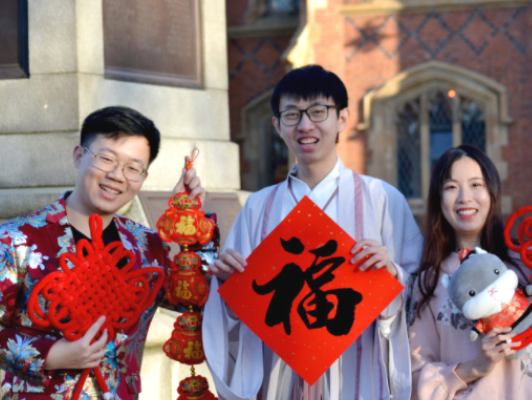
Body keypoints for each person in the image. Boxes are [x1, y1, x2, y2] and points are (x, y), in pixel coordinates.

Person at [203, 64, 423, 400]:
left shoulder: (382, 200)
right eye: (292, 115)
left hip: (358, 379)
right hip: (277, 382)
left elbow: (422, 293)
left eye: (318, 112)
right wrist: (230, 289)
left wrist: (392, 277)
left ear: (343, 119)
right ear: (277, 125)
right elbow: (233, 317)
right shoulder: (258, 208)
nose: (306, 125)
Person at [0, 106, 217, 400]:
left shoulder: (148, 247)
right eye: (106, 158)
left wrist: (193, 224)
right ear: (79, 155)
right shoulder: (17, 240)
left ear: (144, 175)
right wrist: (53, 354)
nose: (117, 175)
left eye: (132, 168)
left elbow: (195, 301)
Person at [408, 145, 532, 399]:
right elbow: (413, 379)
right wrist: (473, 367)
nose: (465, 197)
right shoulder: (429, 284)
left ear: (493, 192)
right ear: (438, 199)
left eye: (476, 184)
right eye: (451, 187)